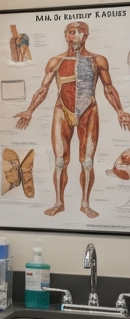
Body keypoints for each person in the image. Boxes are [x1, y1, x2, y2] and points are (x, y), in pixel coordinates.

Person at [13, 21, 128, 218]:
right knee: (60, 161)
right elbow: (43, 89)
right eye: (71, 32)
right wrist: (30, 110)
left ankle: (85, 204)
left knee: (87, 162)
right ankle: (59, 203)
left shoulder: (97, 60)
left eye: (79, 32)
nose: (75, 36)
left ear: (86, 35)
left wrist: (120, 111)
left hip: (88, 109)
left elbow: (108, 88)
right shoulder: (56, 61)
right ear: (65, 36)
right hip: (62, 109)